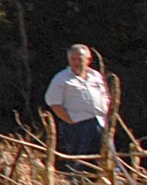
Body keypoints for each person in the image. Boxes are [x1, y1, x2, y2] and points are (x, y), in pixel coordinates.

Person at [44, 44, 110, 174]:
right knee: (81, 160)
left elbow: (105, 95)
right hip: (78, 126)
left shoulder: (95, 76)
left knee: (104, 158)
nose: (76, 63)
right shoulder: (61, 78)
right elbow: (53, 102)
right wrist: (70, 120)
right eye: (73, 59)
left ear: (88, 59)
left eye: (79, 59)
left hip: (100, 123)